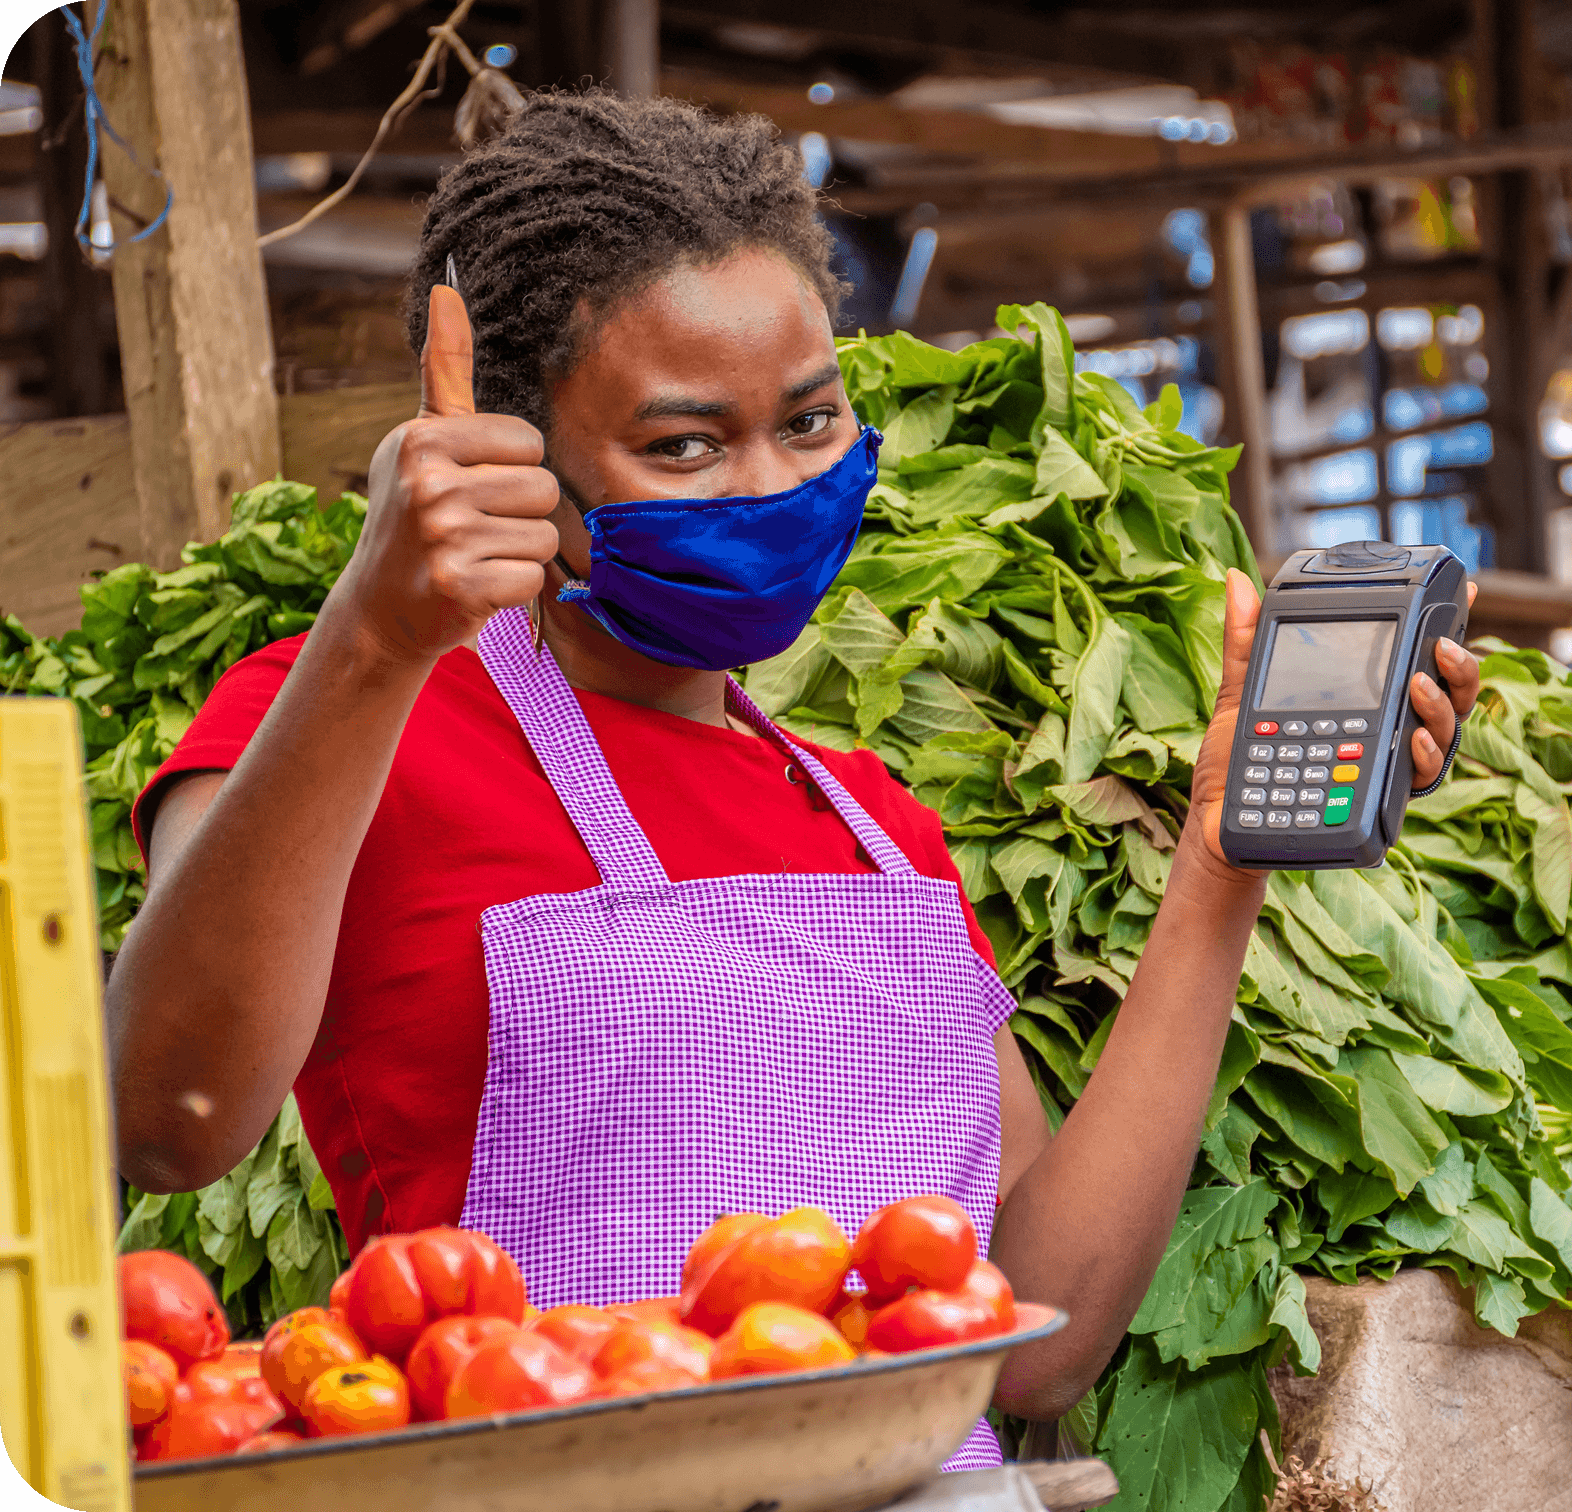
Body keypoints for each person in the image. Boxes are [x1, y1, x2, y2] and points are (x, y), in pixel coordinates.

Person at [104, 91, 1481, 1466]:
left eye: (811, 424)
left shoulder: (870, 818)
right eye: (684, 445)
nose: (769, 485)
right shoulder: (353, 712)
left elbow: (1039, 1338)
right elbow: (166, 1119)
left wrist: (1220, 867)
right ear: (523, 457)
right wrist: (374, 635)